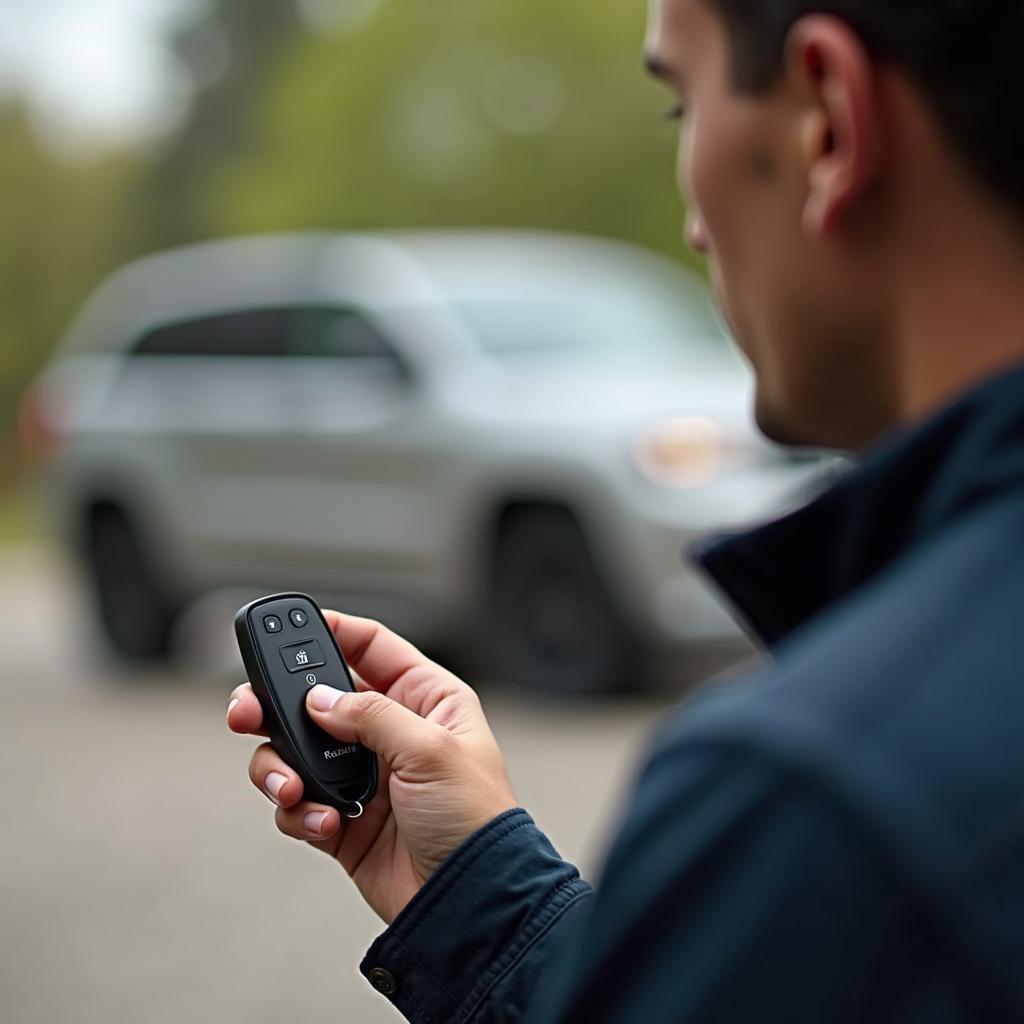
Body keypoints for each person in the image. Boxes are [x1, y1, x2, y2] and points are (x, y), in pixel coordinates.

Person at [227, 0, 1024, 1018]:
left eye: (679, 106)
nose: (693, 221)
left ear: (827, 118)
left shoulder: (813, 803)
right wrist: (477, 889)